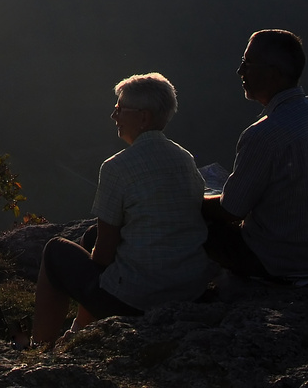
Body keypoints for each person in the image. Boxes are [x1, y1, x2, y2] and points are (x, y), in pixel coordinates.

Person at [31, 73, 216, 346]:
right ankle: (79, 329)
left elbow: (104, 254)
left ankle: (40, 346)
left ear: (143, 117)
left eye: (119, 109)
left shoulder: (117, 167)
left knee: (56, 250)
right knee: (92, 235)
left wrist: (96, 282)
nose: (113, 116)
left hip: (139, 301)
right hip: (188, 289)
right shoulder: (184, 158)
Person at [202, 30, 308, 282]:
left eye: (248, 63)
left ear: (274, 72)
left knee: (193, 223)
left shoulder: (263, 134)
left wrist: (191, 200)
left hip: (279, 262)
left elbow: (231, 211)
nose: (240, 71)